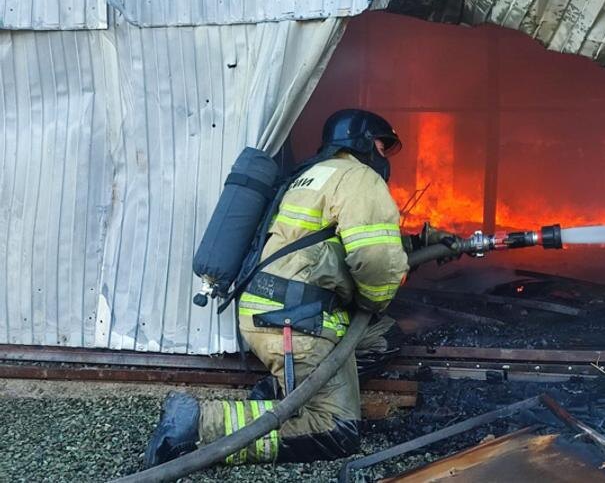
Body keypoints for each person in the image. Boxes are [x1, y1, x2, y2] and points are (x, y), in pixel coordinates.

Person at [144, 109, 451, 466]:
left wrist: (420, 243)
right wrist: (375, 301)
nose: (384, 158)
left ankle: (277, 395)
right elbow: (375, 259)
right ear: (363, 143)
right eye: (383, 147)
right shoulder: (360, 178)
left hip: (276, 307)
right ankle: (198, 424)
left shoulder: (312, 175)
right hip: (294, 320)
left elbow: (329, 243)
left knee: (382, 338)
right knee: (335, 429)